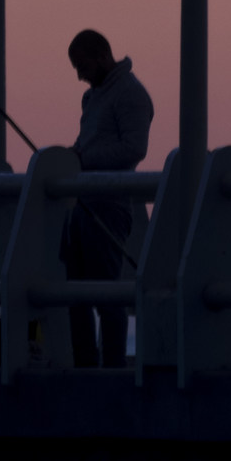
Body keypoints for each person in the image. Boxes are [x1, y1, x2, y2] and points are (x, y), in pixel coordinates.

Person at [63, 28, 152, 368]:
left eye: (81, 65)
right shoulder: (92, 97)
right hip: (79, 204)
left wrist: (85, 159)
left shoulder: (132, 94)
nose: (79, 74)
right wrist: (73, 155)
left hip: (110, 206)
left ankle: (112, 367)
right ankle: (85, 364)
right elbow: (88, 142)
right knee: (75, 293)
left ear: (101, 56)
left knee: (107, 294)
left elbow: (134, 148)